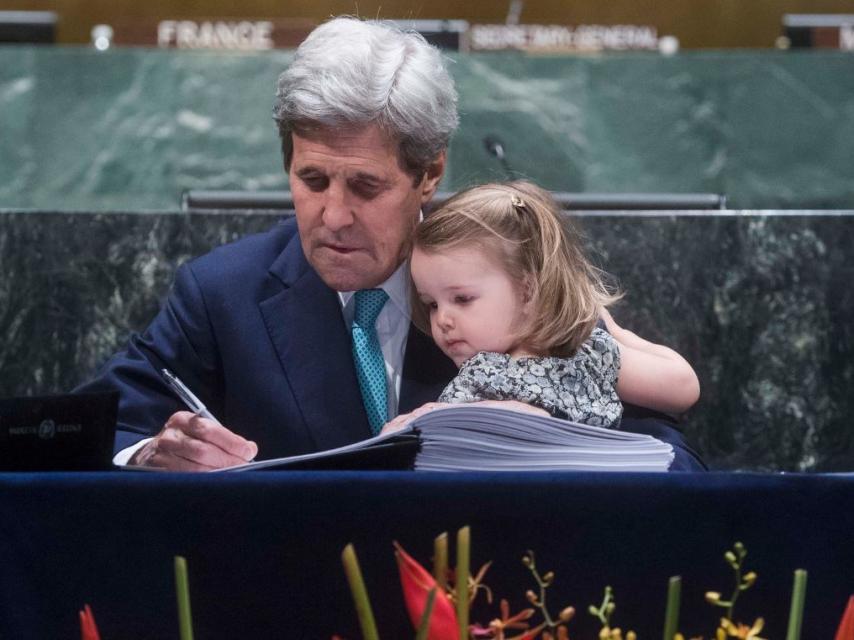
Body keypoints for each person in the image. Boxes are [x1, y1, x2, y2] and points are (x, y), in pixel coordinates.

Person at [76, 16, 705, 471]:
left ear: (429, 172)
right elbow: (91, 428)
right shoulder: (222, 294)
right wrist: (150, 455)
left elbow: (660, 443)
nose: (335, 215)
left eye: (366, 186)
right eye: (312, 180)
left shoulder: (506, 279)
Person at [382, 181, 700, 433]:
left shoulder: (583, 352)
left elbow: (682, 387)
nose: (443, 320)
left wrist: (615, 332)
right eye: (432, 304)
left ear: (527, 291)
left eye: (462, 299)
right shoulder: (475, 374)